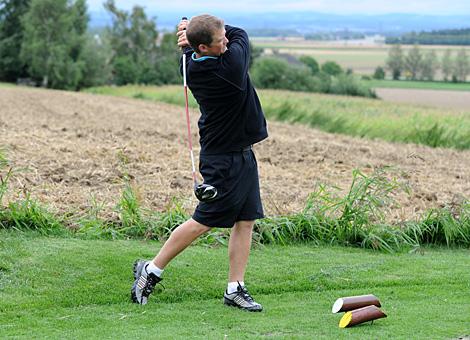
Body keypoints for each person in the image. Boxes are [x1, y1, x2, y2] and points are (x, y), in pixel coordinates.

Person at [131, 14, 268, 312]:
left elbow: (200, 43)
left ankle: (235, 288)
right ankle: (151, 271)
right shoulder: (229, 69)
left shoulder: (189, 62)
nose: (227, 42)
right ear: (204, 47)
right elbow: (241, 32)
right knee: (204, 221)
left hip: (241, 152)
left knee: (245, 221)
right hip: (224, 159)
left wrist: (190, 31)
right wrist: (191, 28)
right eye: (221, 41)